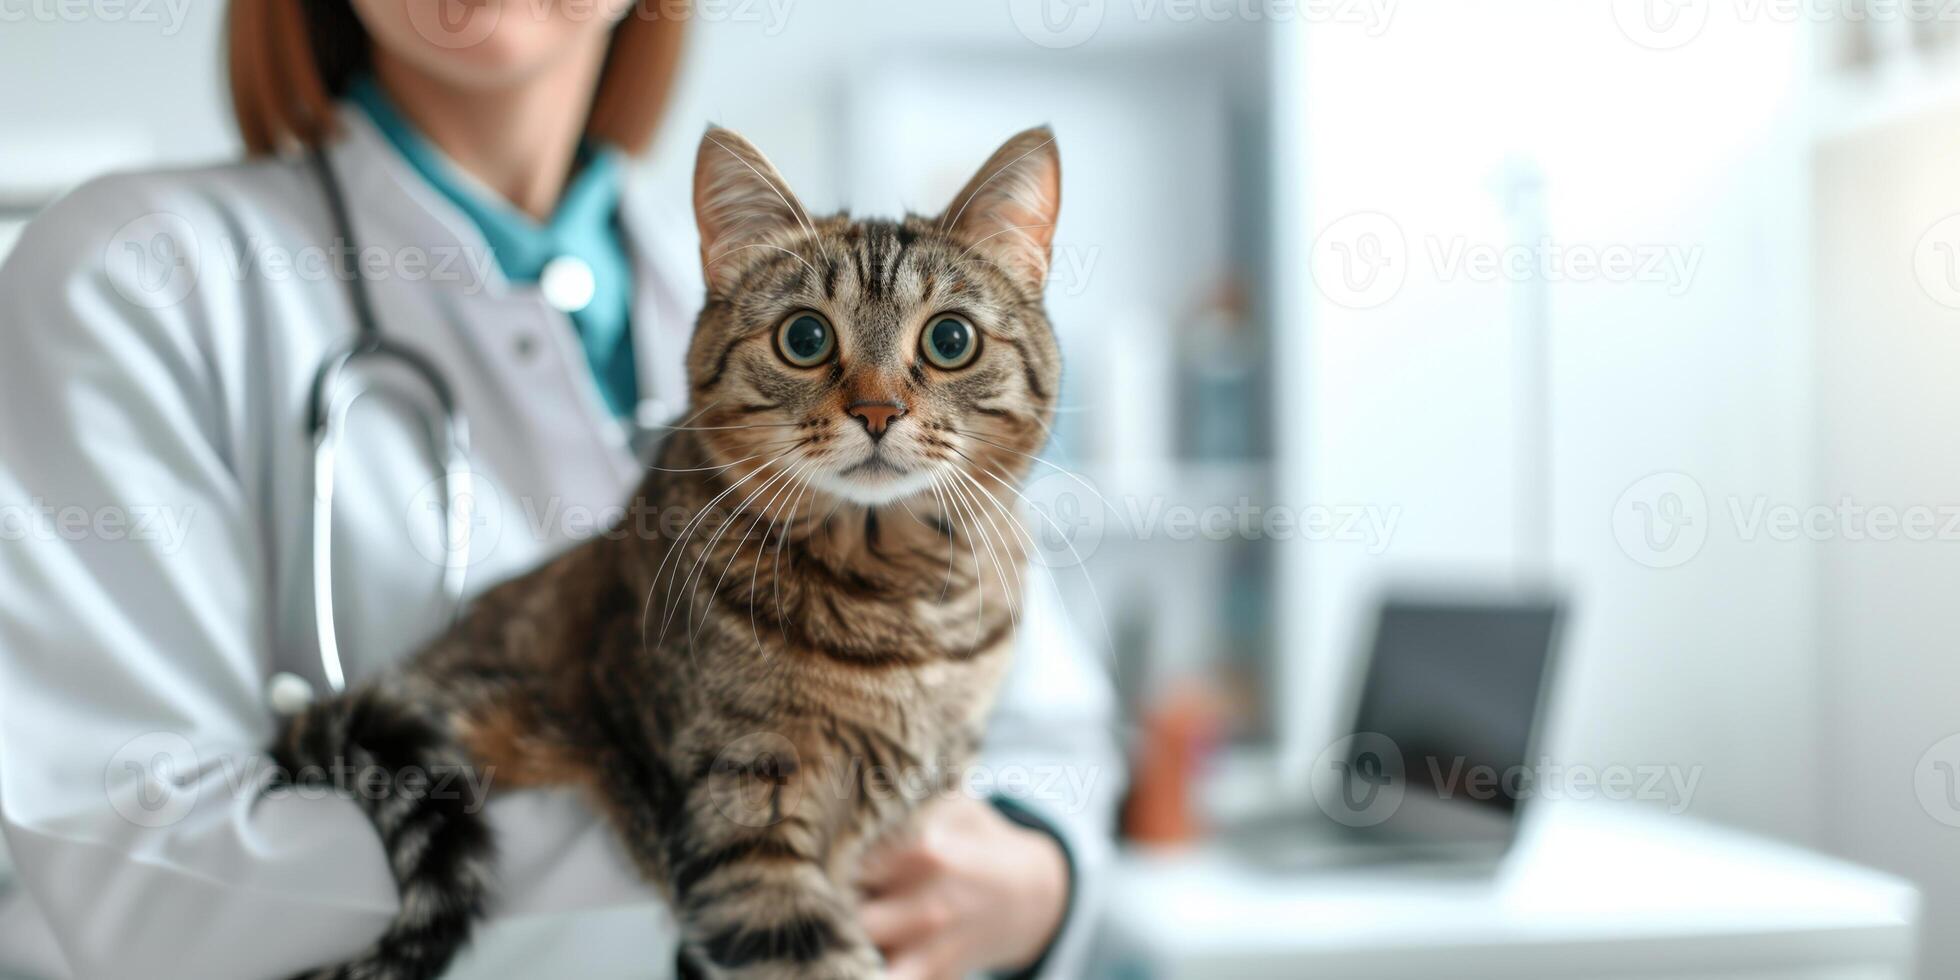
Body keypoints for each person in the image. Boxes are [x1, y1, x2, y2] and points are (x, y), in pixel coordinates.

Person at [0, 3, 1122, 978]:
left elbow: (1053, 742)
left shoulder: (770, 264)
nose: (875, 398)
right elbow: (131, 881)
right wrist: (752, 837)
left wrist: (1036, 877)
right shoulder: (134, 271)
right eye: (814, 348)